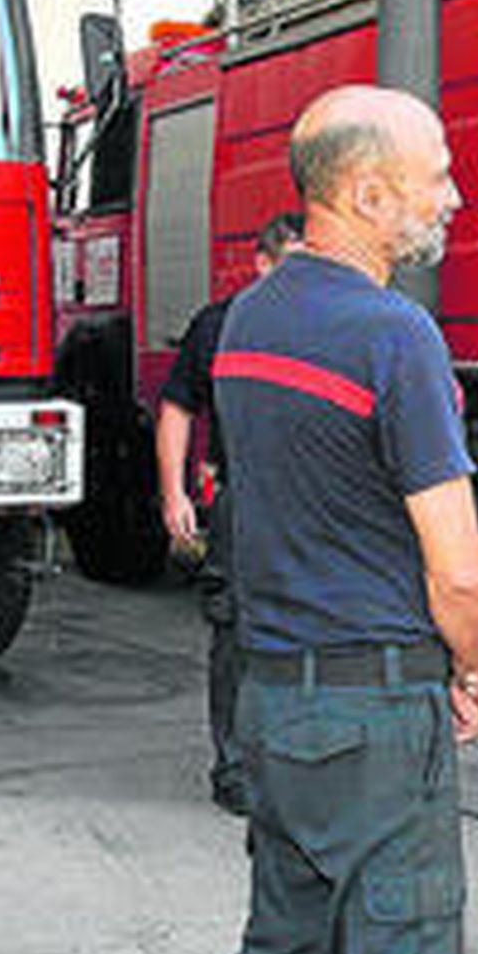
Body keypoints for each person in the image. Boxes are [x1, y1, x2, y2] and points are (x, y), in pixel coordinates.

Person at [208, 84, 478, 954]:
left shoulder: (247, 321)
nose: (453, 197)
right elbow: (457, 564)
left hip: (272, 703)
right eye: (435, 177)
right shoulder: (393, 336)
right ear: (368, 192)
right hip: (375, 717)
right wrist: (472, 662)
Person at [155, 211, 304, 816]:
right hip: (246, 499)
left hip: (314, 502)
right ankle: (237, 768)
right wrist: (174, 494)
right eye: (291, 268)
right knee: (238, 631)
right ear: (261, 264)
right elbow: (176, 409)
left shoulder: (329, 327)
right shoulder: (219, 326)